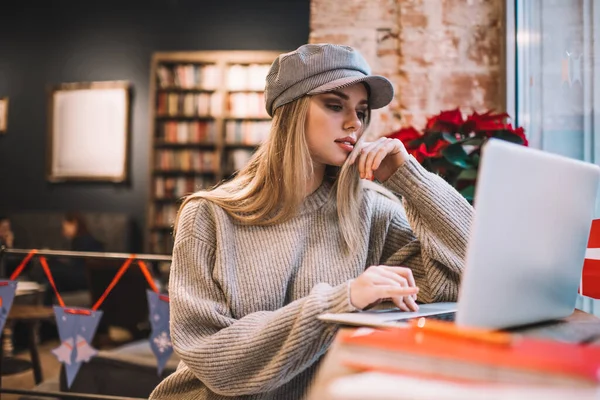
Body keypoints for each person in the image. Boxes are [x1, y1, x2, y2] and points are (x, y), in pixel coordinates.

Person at [150, 44, 473, 400]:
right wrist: (341, 302)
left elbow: (468, 280)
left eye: (362, 111)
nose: (354, 123)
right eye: (335, 106)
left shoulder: (373, 213)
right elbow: (212, 355)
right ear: (291, 112)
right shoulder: (209, 216)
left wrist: (409, 177)